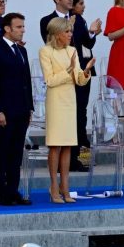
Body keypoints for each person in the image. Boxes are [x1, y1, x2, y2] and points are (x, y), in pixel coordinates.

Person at [39, 17, 93, 204]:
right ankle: (54, 186)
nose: (71, 35)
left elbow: (78, 79)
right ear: (57, 34)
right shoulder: (46, 51)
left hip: (70, 101)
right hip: (55, 101)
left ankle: (65, 186)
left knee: (68, 145)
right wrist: (69, 70)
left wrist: (85, 73)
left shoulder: (72, 50)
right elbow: (50, 80)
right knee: (55, 145)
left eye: (71, 31)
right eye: (67, 32)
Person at [0, 12, 33, 207]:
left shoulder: (21, 51)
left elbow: (26, 81)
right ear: (7, 28)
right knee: (2, 153)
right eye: (19, 27)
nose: (22, 30)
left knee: (16, 153)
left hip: (21, 110)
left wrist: (29, 107)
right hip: (4, 111)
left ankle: (13, 191)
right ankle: (2, 193)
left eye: (23, 27)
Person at [71, 0, 101, 171]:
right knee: (78, 112)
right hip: (78, 69)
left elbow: (87, 44)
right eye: (81, 3)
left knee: (81, 111)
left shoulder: (80, 20)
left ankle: (84, 155)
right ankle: (81, 155)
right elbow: (82, 42)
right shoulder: (75, 20)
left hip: (85, 69)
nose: (84, 6)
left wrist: (92, 33)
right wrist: (90, 32)